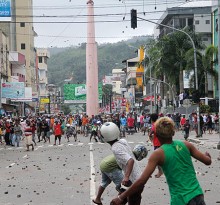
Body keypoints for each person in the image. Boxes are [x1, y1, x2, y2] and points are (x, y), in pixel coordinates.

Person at [110, 117, 212, 205]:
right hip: (197, 195)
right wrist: (207, 156)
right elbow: (207, 161)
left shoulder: (158, 154)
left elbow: (141, 181)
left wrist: (121, 197)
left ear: (156, 135)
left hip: (181, 199)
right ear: (173, 132)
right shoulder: (186, 144)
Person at [100, 122, 143, 205]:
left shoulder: (115, 148)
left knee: (130, 201)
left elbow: (130, 160)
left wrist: (126, 177)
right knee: (118, 201)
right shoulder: (122, 141)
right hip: (136, 179)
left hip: (134, 182)